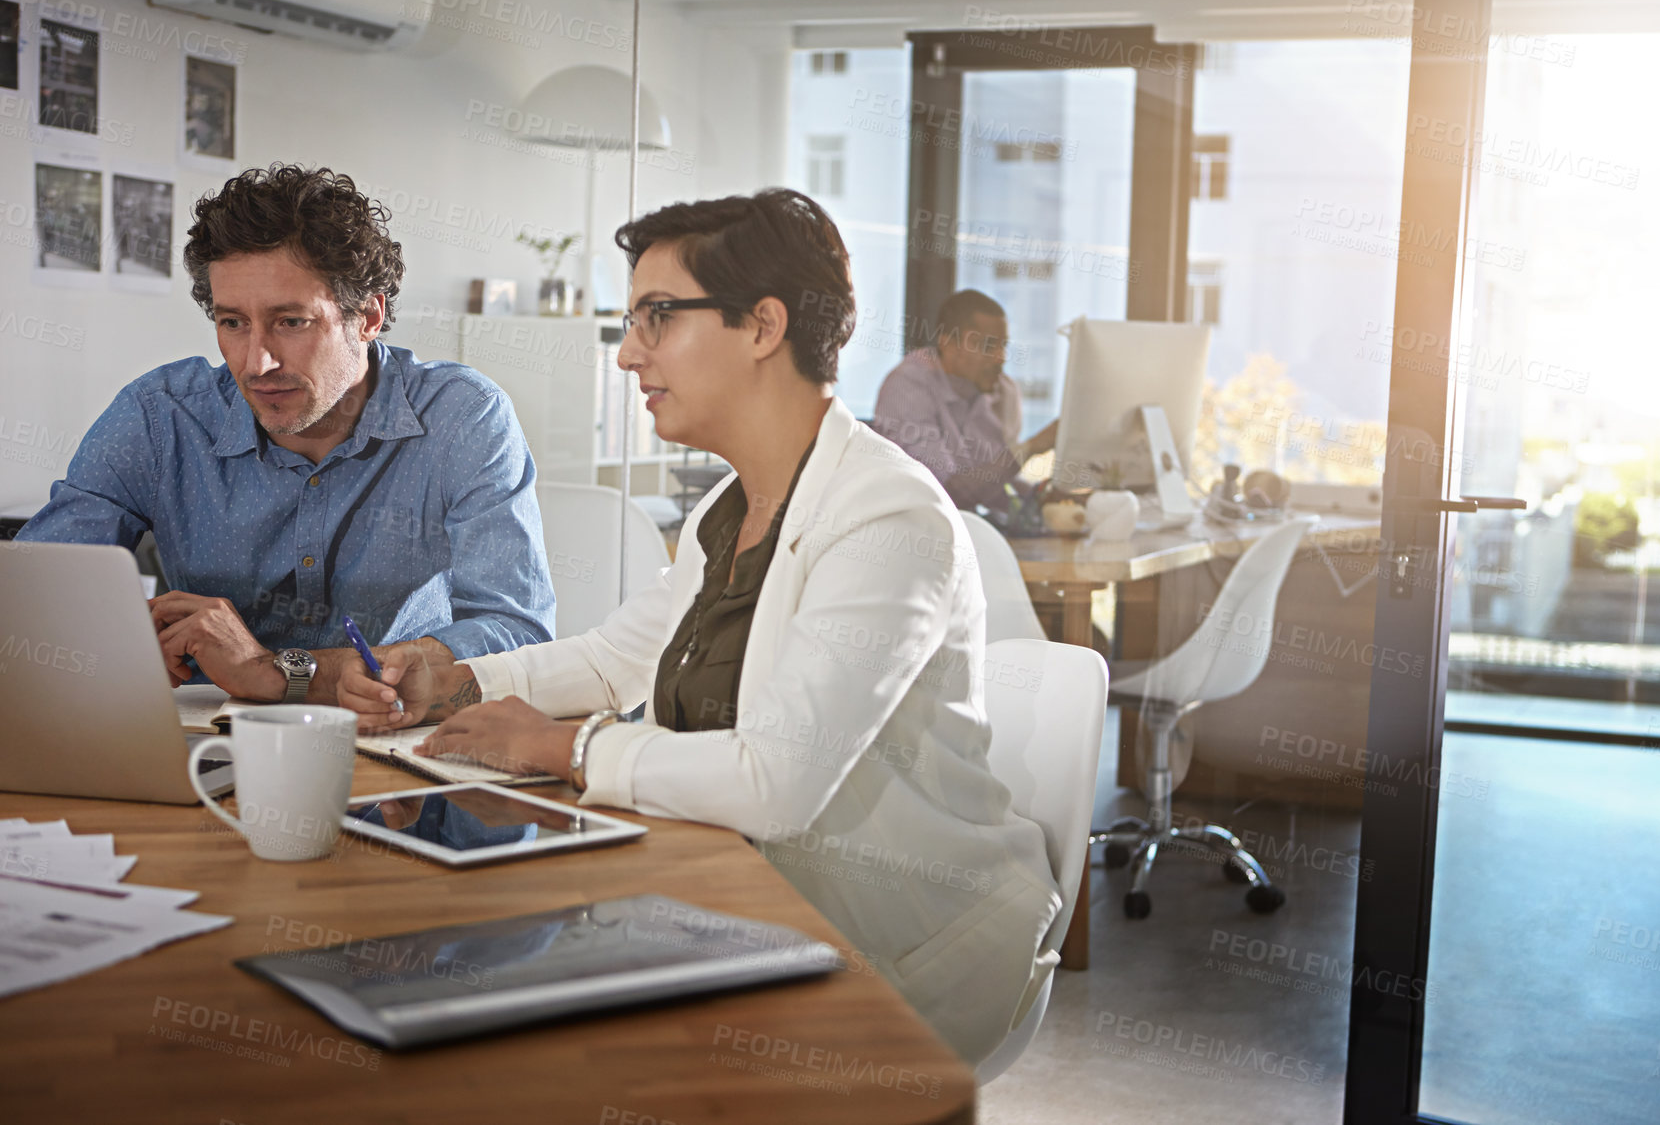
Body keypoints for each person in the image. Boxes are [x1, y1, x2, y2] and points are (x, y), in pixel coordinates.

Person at [338, 189, 1062, 1065]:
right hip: (744, 912)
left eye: (657, 318)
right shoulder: (734, 506)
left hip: (907, 957)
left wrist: (565, 751)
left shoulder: (888, 518)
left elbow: (778, 778)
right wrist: (463, 680)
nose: (628, 355)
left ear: (763, 326)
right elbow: (617, 663)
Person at [18, 164, 555, 704]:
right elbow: (31, 599)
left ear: (367, 316)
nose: (258, 362)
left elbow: (517, 636)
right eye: (233, 323)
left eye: (291, 322)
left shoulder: (462, 417)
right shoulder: (160, 417)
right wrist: (123, 640)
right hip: (204, 741)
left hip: (395, 742)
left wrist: (278, 671)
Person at [872, 289, 1057, 511]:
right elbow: (948, 495)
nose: (1001, 358)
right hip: (915, 530)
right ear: (948, 345)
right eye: (987, 346)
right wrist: (1031, 447)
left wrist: (1043, 499)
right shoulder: (907, 386)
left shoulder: (1003, 391)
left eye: (1003, 345)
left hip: (967, 532)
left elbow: (992, 485)